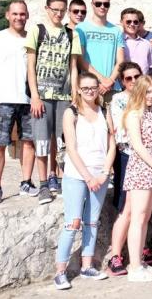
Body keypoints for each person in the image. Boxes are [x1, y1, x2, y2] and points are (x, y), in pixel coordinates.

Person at [53, 72, 115, 290]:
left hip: (100, 173)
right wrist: (88, 177)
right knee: (73, 223)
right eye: (85, 88)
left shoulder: (104, 111)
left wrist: (104, 172)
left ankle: (87, 266)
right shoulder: (71, 113)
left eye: (93, 87)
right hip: (77, 175)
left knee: (92, 222)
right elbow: (71, 148)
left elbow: (112, 143)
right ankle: (60, 272)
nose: (90, 91)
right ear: (78, 89)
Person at [26, 0, 81, 204]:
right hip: (42, 95)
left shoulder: (70, 34)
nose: (58, 14)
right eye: (55, 10)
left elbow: (73, 67)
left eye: (61, 10)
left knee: (61, 141)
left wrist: (74, 96)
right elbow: (30, 65)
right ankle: (42, 185)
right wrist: (35, 96)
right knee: (41, 140)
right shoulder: (37, 31)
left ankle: (56, 178)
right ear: (47, 9)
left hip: (63, 95)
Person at [0, 0, 37, 203]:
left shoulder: (32, 39)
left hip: (28, 100)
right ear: (7, 15)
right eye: (15, 14)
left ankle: (27, 182)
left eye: (22, 14)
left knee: (29, 142)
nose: (19, 17)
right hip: (2, 100)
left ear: (27, 16)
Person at [107, 62, 152, 276]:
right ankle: (118, 256)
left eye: (137, 76)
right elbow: (125, 134)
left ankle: (138, 258)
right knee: (128, 211)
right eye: (129, 78)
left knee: (141, 214)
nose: (134, 80)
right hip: (130, 158)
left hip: (150, 161)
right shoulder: (122, 103)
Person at [122, 75, 152, 281]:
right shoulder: (134, 114)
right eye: (148, 92)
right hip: (141, 167)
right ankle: (134, 267)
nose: (151, 95)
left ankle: (139, 260)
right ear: (140, 91)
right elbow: (137, 146)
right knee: (137, 217)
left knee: (145, 218)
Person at [75, 0, 125, 100]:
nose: (102, 7)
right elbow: (81, 59)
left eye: (106, 4)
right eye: (98, 4)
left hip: (112, 88)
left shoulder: (116, 30)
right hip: (89, 89)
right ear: (92, 5)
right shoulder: (81, 28)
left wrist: (110, 81)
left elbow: (121, 61)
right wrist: (102, 80)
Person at [121, 8, 152, 77]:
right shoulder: (118, 43)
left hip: (143, 85)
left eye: (135, 22)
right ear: (121, 22)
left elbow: (150, 69)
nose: (132, 24)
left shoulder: (147, 44)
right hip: (124, 85)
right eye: (128, 21)